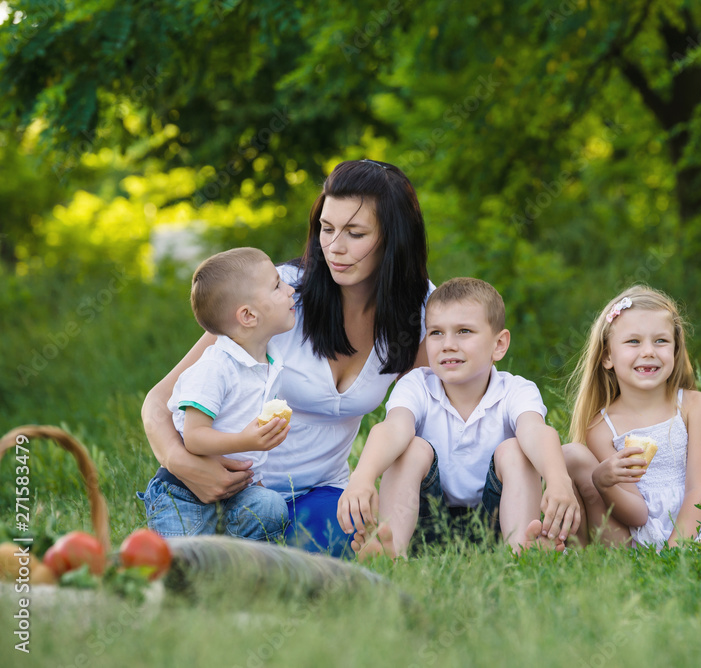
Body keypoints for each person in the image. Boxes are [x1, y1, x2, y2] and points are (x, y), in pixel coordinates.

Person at [141, 159, 432, 556]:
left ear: (393, 238)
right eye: (326, 229)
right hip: (233, 489)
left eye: (356, 233)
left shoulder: (421, 312)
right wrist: (181, 461)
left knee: (329, 559)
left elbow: (421, 418)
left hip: (320, 491)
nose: (334, 247)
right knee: (196, 566)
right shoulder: (277, 296)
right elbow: (159, 401)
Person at [336, 277, 581, 557]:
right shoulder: (417, 384)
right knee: (411, 448)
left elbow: (536, 432)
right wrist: (363, 477)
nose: (448, 344)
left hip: (499, 520)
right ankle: (392, 546)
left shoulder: (516, 390)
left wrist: (559, 480)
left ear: (499, 344)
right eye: (436, 333)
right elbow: (393, 428)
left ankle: (524, 548)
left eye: (464, 331)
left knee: (516, 449)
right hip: (425, 521)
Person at [562, 285, 701, 550]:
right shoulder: (602, 428)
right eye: (633, 341)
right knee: (573, 455)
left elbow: (698, 491)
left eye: (661, 341)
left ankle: (685, 549)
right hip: (632, 537)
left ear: (674, 350)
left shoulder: (695, 407)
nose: (649, 351)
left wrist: (675, 550)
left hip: (693, 531)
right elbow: (636, 514)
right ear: (607, 356)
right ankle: (564, 543)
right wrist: (605, 484)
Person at [140, 247, 294, 540]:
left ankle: (236, 558)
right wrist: (246, 440)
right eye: (277, 285)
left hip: (235, 493)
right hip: (183, 493)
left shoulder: (269, 362)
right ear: (248, 316)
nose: (289, 289)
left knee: (272, 507)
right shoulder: (213, 367)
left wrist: (256, 479)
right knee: (184, 567)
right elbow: (195, 437)